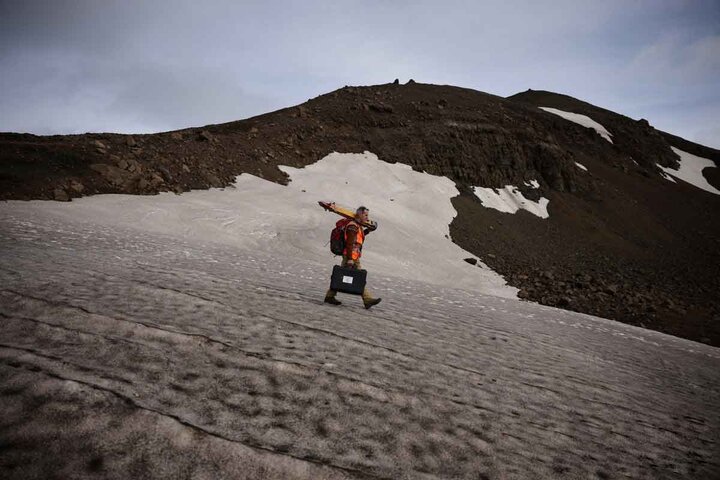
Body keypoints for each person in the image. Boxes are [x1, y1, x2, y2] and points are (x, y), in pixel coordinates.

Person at [324, 206, 382, 309]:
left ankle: (330, 296)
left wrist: (368, 231)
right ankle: (367, 300)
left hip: (353, 256)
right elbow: (349, 243)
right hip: (351, 256)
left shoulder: (356, 226)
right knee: (358, 277)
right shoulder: (352, 226)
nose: (367, 217)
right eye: (365, 215)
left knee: (342, 276)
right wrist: (350, 258)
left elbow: (358, 237)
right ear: (359, 214)